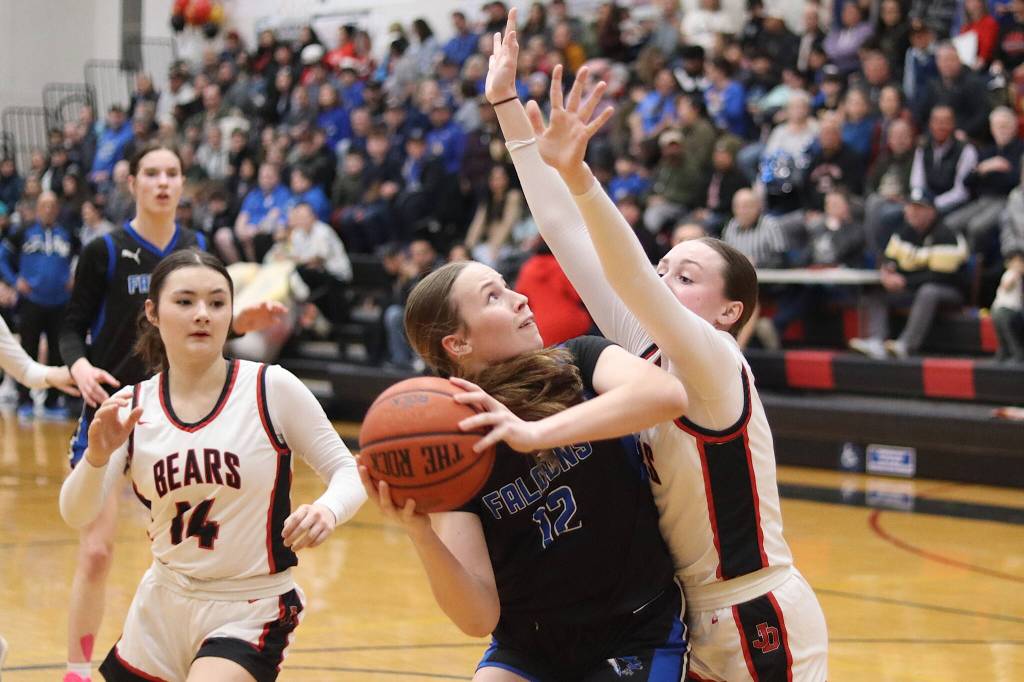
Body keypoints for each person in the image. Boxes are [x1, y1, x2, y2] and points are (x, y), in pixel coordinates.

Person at [486, 12, 828, 680]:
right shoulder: (647, 354)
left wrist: (583, 179)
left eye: (687, 276)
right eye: (665, 267)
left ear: (730, 312)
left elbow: (631, 277)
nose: (666, 279)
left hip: (757, 612)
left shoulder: (718, 361)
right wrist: (507, 109)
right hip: (686, 616)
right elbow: (567, 236)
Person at [362, 258, 691, 680]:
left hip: (635, 630)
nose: (520, 299)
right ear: (457, 344)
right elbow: (478, 618)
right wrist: (419, 533)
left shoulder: (581, 360)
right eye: (493, 297)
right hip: (530, 646)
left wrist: (534, 434)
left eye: (507, 287)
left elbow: (666, 395)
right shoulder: (454, 448)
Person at [59, 249, 365, 681]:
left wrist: (327, 509)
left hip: (249, 607)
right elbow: (76, 514)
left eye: (217, 302)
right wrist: (95, 458)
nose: (202, 313)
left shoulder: (271, 388)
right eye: (185, 301)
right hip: (161, 603)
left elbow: (348, 472)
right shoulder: (132, 407)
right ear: (153, 312)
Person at [58, 141, 287, 682]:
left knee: (187, 548)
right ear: (132, 182)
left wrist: (240, 322)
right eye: (152, 173)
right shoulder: (105, 249)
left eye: (172, 173)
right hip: (116, 411)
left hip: (183, 413)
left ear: (183, 183)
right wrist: (80, 366)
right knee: (96, 552)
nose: (162, 183)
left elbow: (202, 326)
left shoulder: (196, 246)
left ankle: (202, 646)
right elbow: (71, 325)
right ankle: (75, 669)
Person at [848, 188, 969, 359]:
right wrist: (888, 272)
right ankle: (876, 341)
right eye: (910, 207)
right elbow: (889, 257)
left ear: (931, 211)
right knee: (874, 289)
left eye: (918, 208)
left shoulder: (946, 234)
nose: (911, 212)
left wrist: (905, 282)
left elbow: (941, 276)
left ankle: (906, 344)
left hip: (950, 291)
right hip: (912, 287)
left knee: (929, 291)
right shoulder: (904, 231)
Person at [0, 191, 79, 420]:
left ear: (57, 209)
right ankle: (24, 400)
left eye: (52, 205)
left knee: (57, 350)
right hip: (31, 302)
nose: (48, 209)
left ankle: (53, 401)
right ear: (37, 208)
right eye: (44, 205)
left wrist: (75, 276)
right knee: (27, 349)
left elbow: (85, 255)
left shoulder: (68, 233)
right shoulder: (23, 232)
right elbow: (2, 257)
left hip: (60, 302)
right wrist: (15, 281)